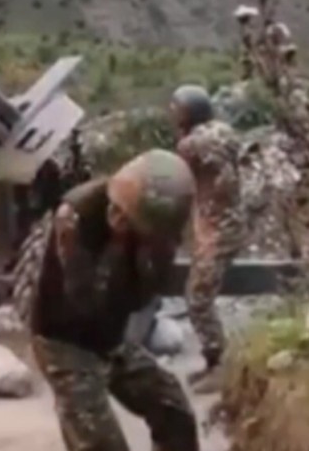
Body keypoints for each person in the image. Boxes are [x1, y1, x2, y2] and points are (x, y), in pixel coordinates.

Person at [13, 149, 199, 451]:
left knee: (173, 411)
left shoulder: (157, 226)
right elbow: (86, 299)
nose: (115, 218)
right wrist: (120, 244)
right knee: (99, 442)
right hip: (65, 339)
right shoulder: (75, 217)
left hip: (108, 334)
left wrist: (152, 251)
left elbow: (143, 296)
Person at [169, 84, 245, 393]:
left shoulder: (192, 145)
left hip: (217, 230)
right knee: (200, 295)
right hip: (229, 224)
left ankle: (220, 365)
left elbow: (175, 176)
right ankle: (214, 362)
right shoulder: (224, 133)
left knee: (197, 299)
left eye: (177, 111)